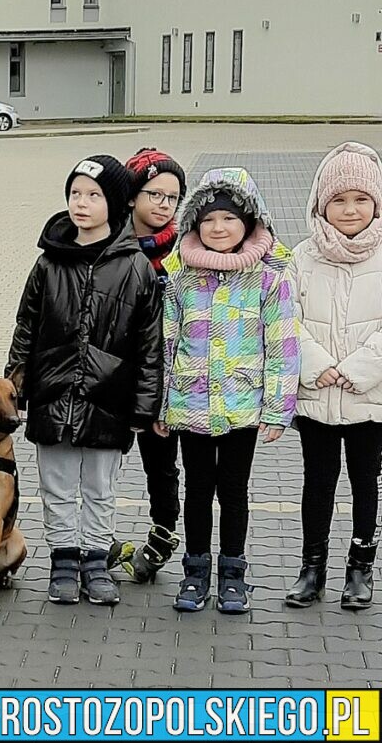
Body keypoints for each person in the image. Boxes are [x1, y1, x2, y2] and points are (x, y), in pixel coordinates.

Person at [6, 156, 163, 607]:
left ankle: (96, 561)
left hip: (108, 396)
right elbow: (26, 328)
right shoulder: (48, 263)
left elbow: (149, 345)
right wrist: (16, 387)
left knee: (100, 488)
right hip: (53, 392)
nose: (82, 203)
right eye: (75, 193)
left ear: (114, 204)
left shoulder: (136, 268)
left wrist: (144, 405)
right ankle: (63, 560)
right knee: (55, 486)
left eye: (93, 195)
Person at [161, 168, 299, 614]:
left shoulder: (269, 281)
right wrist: (161, 404)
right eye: (208, 220)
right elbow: (165, 344)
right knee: (197, 489)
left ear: (250, 224)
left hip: (243, 406)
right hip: (189, 404)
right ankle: (195, 572)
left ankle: (234, 574)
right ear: (194, 225)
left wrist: (278, 408)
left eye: (229, 220)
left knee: (234, 490)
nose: (218, 229)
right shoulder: (180, 278)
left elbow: (282, 345)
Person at [287, 143, 382, 610]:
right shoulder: (302, 257)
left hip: (370, 397)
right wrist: (317, 363)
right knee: (318, 481)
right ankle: (312, 568)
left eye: (361, 199)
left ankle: (361, 568)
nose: (350, 210)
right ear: (321, 203)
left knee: (366, 482)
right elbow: (287, 318)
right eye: (338, 200)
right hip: (317, 393)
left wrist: (359, 368)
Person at [108, 149, 188, 583]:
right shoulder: (105, 243)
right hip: (114, 373)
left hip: (166, 377)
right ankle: (94, 541)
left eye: (173, 197)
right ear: (132, 194)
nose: (163, 204)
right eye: (154, 193)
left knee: (162, 464)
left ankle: (162, 537)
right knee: (101, 463)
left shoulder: (187, 250)